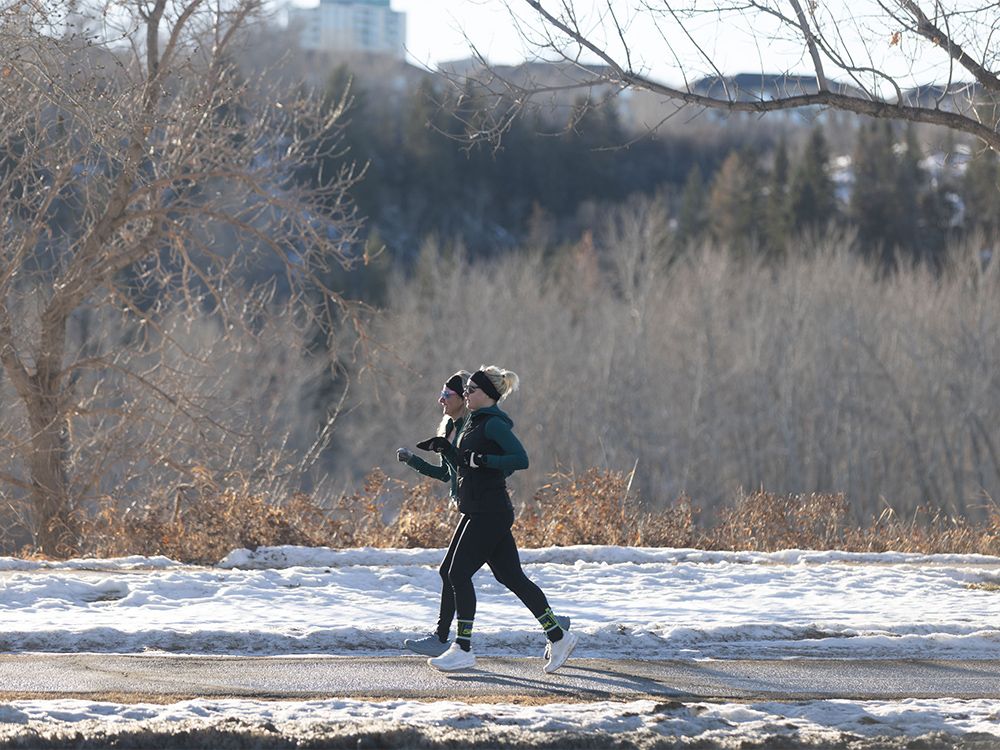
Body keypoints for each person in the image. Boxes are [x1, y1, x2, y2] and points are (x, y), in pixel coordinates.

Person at [397, 371, 570, 659]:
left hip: (489, 510)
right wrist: (445, 452)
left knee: (457, 573)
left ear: (488, 394)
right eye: (464, 389)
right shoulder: (472, 425)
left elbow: (518, 460)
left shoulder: (491, 424)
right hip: (478, 509)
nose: (465, 393)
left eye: (471, 389)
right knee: (510, 577)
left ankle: (460, 646)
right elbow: (461, 469)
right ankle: (558, 633)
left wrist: (481, 460)